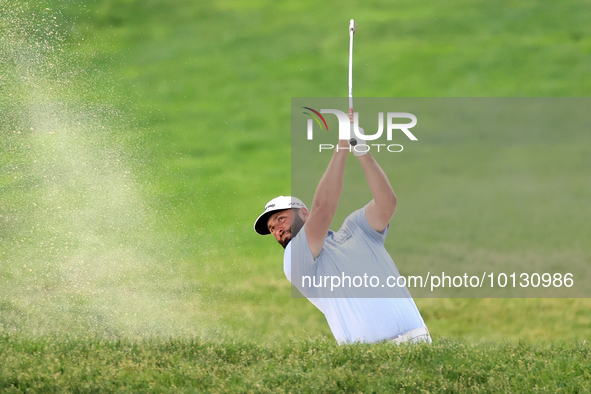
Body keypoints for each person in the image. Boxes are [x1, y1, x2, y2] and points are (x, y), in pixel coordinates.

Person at [253, 132, 430, 345]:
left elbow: (387, 204)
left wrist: (362, 151)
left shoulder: (356, 229)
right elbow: (324, 207)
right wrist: (342, 145)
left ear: (304, 214)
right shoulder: (295, 259)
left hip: (420, 341)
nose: (277, 230)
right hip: (371, 359)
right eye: (272, 228)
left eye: (281, 219)